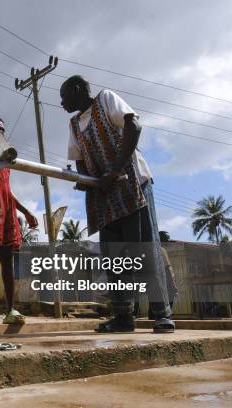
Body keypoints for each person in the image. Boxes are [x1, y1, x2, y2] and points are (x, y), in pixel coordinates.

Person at [60, 75, 175, 333]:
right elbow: (79, 159)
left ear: (77, 90)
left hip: (131, 185)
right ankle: (124, 317)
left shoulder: (106, 99)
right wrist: (86, 180)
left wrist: (115, 169)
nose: (61, 103)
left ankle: (161, 314)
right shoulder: (75, 125)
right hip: (104, 196)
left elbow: (133, 126)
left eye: (63, 96)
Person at [0, 117, 38, 325]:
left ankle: (10, 310)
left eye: (3, 130)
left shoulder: (6, 159)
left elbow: (6, 190)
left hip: (6, 210)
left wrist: (26, 212)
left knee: (7, 261)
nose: (1, 133)